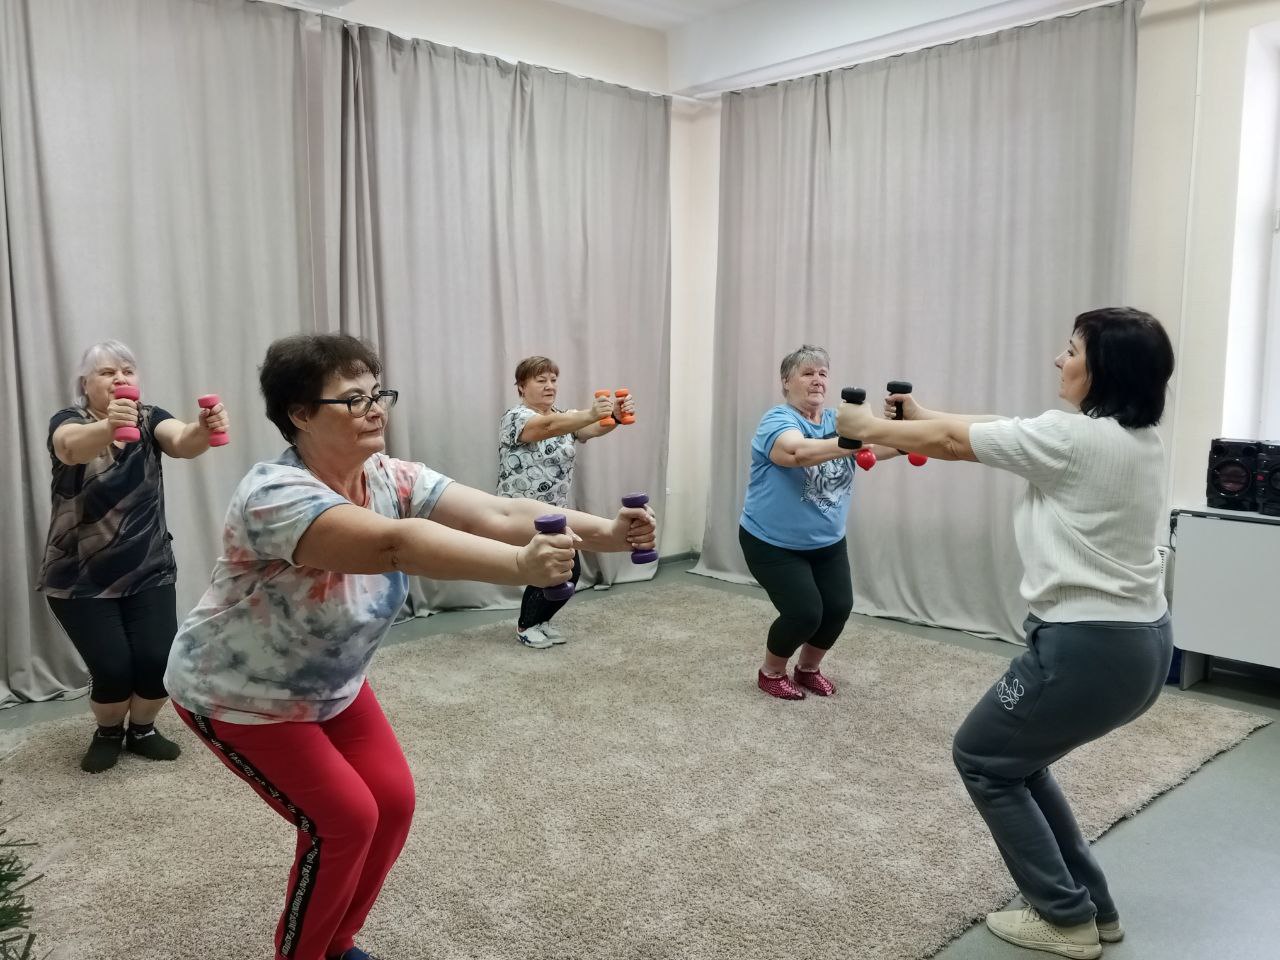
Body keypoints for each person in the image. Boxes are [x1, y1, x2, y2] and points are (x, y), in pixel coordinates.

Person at [163, 334, 655, 960]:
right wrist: (519, 566)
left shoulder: (389, 476)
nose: (375, 409)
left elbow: (500, 512)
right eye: (353, 399)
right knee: (344, 821)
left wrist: (606, 534)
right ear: (300, 414)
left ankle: (336, 943)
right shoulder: (274, 496)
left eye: (378, 394)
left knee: (391, 804)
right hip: (239, 694)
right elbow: (394, 545)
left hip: (332, 684)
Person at [836, 307, 1176, 959]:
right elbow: (998, 429)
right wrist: (923, 414)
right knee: (1019, 760)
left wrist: (867, 428)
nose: (1059, 359)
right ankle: (1093, 908)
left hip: (1086, 650)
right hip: (1143, 643)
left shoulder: (1072, 440)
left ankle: (1065, 919)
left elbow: (957, 443)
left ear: (1104, 370)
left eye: (1072, 349)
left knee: (983, 758)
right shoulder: (1135, 440)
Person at [38, 339, 229, 773]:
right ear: (85, 383)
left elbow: (182, 441)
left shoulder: (149, 417)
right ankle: (108, 732)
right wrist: (110, 427)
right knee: (112, 668)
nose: (119, 378)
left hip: (148, 567)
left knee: (157, 661)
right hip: (78, 575)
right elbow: (70, 448)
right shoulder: (69, 420)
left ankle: (141, 729)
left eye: (127, 370)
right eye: (106, 372)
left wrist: (204, 427)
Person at [740, 344, 899, 700]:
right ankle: (771, 672)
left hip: (827, 542)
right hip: (771, 542)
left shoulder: (836, 423)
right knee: (804, 612)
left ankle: (808, 669)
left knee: (838, 608)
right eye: (807, 373)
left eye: (823, 373)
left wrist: (903, 438)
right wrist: (853, 442)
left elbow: (875, 448)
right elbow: (796, 452)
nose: (817, 380)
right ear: (786, 381)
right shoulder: (777, 420)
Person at [496, 356, 637, 648]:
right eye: (541, 380)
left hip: (553, 514)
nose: (550, 386)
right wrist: (591, 413)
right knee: (550, 568)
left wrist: (615, 417)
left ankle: (539, 621)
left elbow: (591, 429)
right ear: (521, 386)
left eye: (553, 380)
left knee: (568, 570)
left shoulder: (565, 417)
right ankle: (526, 626)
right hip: (520, 512)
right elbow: (546, 427)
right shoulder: (516, 417)